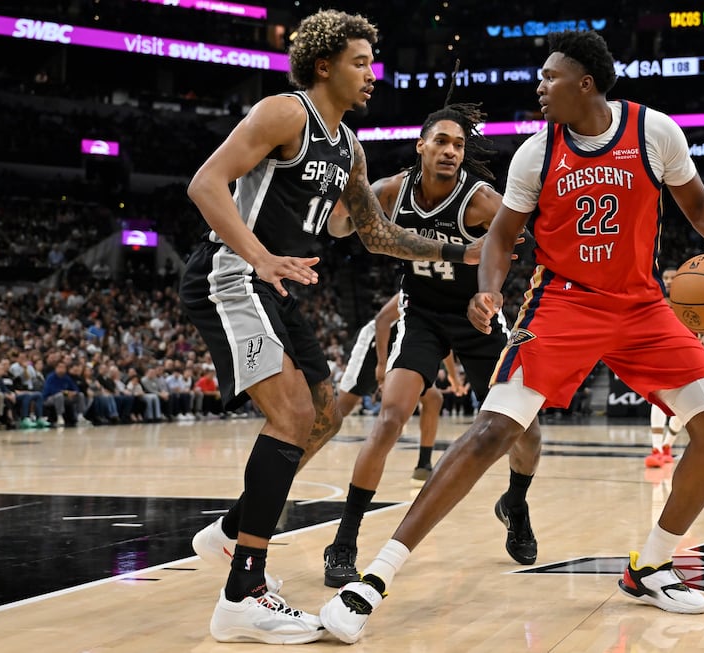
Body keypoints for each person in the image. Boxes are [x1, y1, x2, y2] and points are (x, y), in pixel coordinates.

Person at [320, 29, 704, 643]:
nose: (540, 86)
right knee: (492, 432)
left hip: (642, 307)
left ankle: (651, 566)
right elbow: (502, 237)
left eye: (550, 76)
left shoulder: (654, 132)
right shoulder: (536, 152)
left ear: (585, 83)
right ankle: (373, 579)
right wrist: (488, 289)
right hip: (563, 306)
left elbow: (699, 206)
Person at [178, 9, 483, 645]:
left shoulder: (350, 148)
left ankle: (232, 532)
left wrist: (460, 251)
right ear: (324, 66)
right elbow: (205, 184)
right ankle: (242, 593)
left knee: (323, 415)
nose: (372, 74)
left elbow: (376, 234)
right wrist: (260, 255)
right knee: (291, 416)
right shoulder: (284, 113)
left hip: (277, 288)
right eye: (360, 62)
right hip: (232, 274)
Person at [323, 102, 543, 588]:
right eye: (441, 141)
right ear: (420, 145)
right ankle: (344, 540)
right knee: (389, 417)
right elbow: (339, 227)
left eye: (458, 145)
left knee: (527, 431)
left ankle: (515, 502)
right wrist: (344, 198)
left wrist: (490, 292)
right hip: (420, 314)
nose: (450, 151)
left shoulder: (481, 200)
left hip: (477, 318)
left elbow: (515, 242)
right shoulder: (391, 190)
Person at [335, 293, 462, 485]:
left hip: (404, 348)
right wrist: (381, 365)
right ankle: (302, 439)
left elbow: (445, 345)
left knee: (434, 399)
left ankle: (423, 466)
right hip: (377, 346)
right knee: (341, 410)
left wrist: (454, 377)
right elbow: (382, 320)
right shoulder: (420, 286)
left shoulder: (451, 304)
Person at [645, 267, 683, 468]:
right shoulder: (655, 298)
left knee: (683, 407)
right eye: (666, 277)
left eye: (672, 278)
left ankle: (668, 445)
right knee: (659, 399)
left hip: (686, 354)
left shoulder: (692, 299)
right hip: (660, 354)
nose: (668, 281)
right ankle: (656, 449)